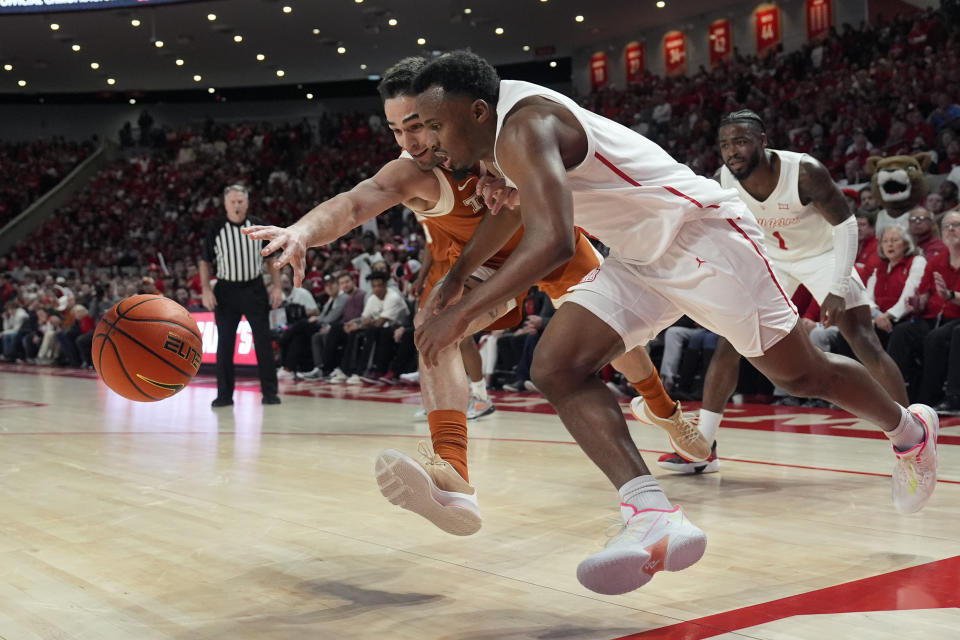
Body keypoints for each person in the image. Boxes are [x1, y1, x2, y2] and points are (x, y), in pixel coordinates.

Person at [410, 51, 940, 595]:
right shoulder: (495, 135)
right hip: (640, 258)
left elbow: (554, 240)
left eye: (432, 124)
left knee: (798, 374)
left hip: (701, 236)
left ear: (476, 111)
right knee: (557, 367)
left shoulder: (523, 126)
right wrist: (456, 279)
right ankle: (651, 513)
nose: (427, 140)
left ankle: (910, 432)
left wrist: (460, 314)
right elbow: (518, 210)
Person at [244, 56, 696, 538]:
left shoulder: (503, 135)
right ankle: (454, 476)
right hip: (477, 268)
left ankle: (664, 411)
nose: (410, 142)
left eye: (416, 126)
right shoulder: (411, 172)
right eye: (396, 131)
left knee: (622, 348)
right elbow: (357, 201)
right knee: (432, 326)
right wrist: (302, 231)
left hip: (550, 247)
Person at [665, 110, 910, 473]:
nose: (732, 151)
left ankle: (914, 437)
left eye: (742, 141)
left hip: (823, 254)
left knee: (862, 338)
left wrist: (838, 286)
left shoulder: (805, 172)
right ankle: (703, 447)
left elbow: (845, 226)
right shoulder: (723, 179)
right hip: (773, 259)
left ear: (763, 141)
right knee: (731, 342)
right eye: (725, 144)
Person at [200, 184, 283, 407]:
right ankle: (225, 395)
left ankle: (270, 393)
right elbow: (205, 261)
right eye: (233, 201)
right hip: (226, 290)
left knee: (263, 342)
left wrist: (276, 286)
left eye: (240, 201)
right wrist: (206, 289)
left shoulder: (257, 225)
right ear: (225, 204)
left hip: (253, 288)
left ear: (247, 202)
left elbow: (271, 258)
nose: (237, 205)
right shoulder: (215, 227)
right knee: (225, 344)